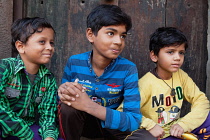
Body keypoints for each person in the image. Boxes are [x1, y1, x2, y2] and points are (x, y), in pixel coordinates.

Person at [57, 4, 142, 140]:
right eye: (111, 33)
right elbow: (61, 105)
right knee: (68, 106)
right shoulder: (75, 62)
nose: (118, 41)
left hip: (113, 130)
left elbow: (133, 120)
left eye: (123, 36)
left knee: (143, 136)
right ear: (91, 35)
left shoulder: (128, 69)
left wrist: (89, 105)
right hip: (83, 127)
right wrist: (63, 91)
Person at [125, 27, 210, 140]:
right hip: (158, 135)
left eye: (181, 53)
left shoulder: (181, 75)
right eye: (170, 52)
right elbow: (124, 111)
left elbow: (201, 100)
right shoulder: (145, 84)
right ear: (154, 56)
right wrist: (149, 125)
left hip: (177, 130)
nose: (177, 58)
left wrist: (184, 124)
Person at [0, 17, 62, 140]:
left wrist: (49, 137)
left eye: (52, 42)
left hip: (27, 127)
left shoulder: (48, 79)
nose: (50, 47)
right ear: (21, 46)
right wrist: (27, 135)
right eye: (42, 42)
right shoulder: (5, 68)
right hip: (5, 126)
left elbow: (48, 116)